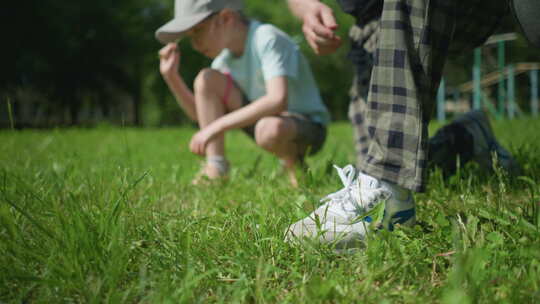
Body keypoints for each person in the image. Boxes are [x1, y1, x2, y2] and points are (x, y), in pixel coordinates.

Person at [284, 0, 520, 248]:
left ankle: (394, 210)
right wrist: (307, 8)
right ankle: (467, 136)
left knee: (386, 168)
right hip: (373, 27)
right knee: (381, 159)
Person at [156, 0, 330, 186]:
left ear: (226, 18)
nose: (195, 44)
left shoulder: (266, 37)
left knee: (269, 129)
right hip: (266, 124)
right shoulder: (224, 60)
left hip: (308, 128)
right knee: (206, 79)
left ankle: (294, 164)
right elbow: (203, 118)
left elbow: (277, 100)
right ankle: (216, 167)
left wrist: (216, 127)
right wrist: (172, 77)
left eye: (198, 31)